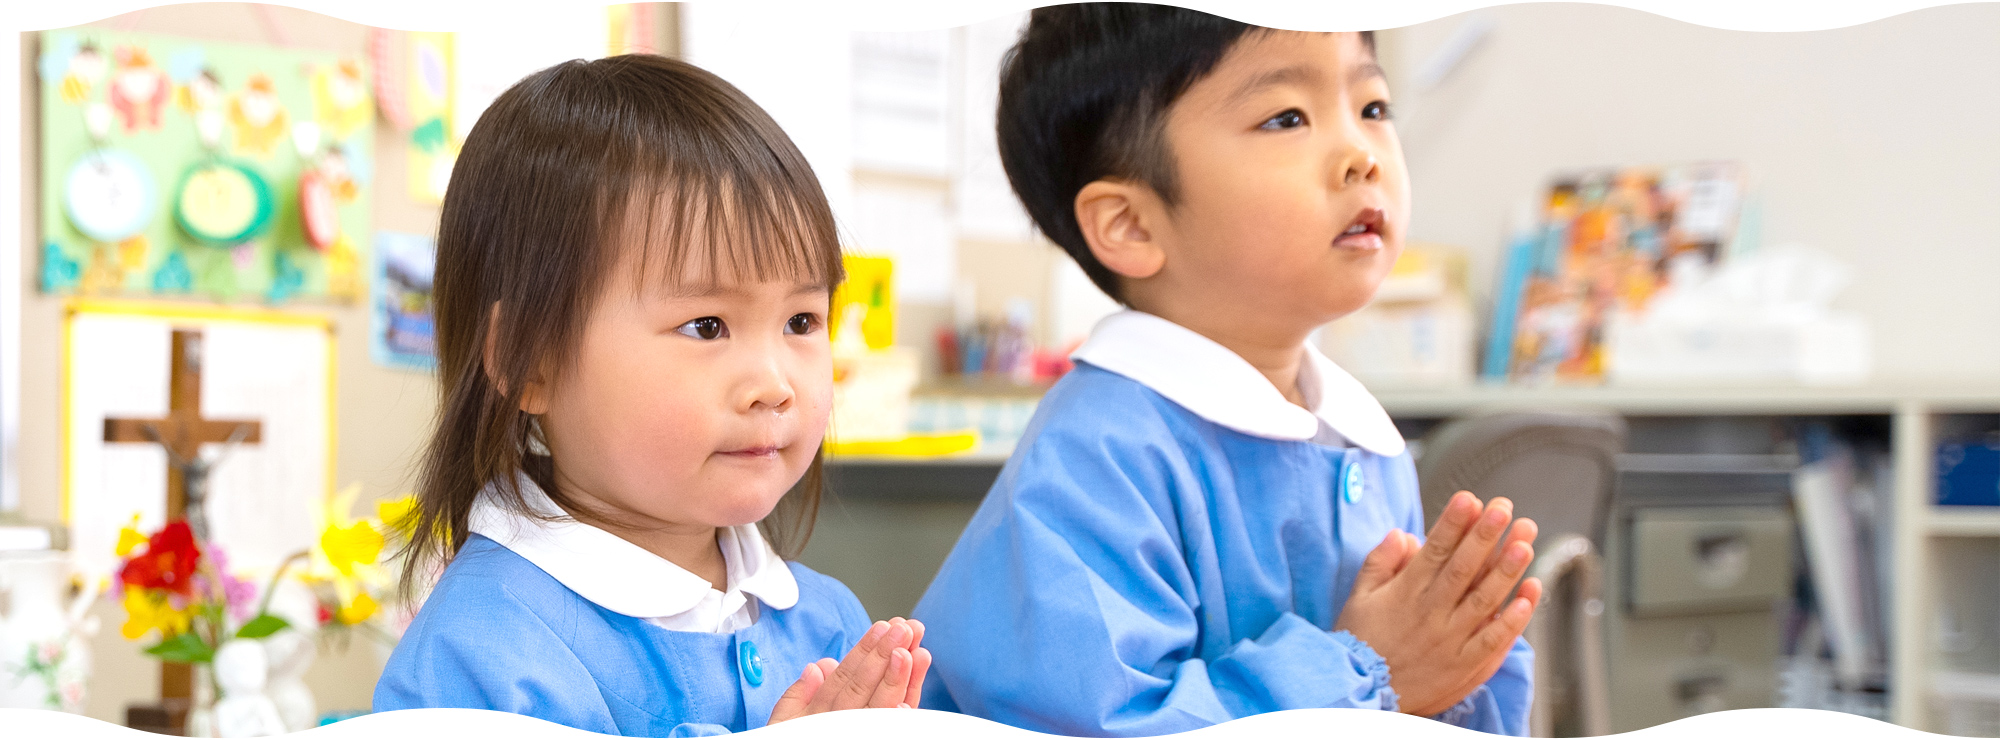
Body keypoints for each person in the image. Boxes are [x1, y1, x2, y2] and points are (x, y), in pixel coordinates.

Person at [912, 6, 1541, 736]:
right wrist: (1369, 671)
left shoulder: (1362, 442)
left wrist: (1456, 659)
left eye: (1372, 106)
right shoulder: (1099, 457)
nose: (1362, 154)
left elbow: (1416, 686)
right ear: (1131, 225)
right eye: (1286, 119)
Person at [372, 54, 931, 736]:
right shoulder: (480, 657)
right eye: (707, 326)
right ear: (529, 360)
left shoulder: (831, 623)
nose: (775, 385)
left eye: (802, 321)